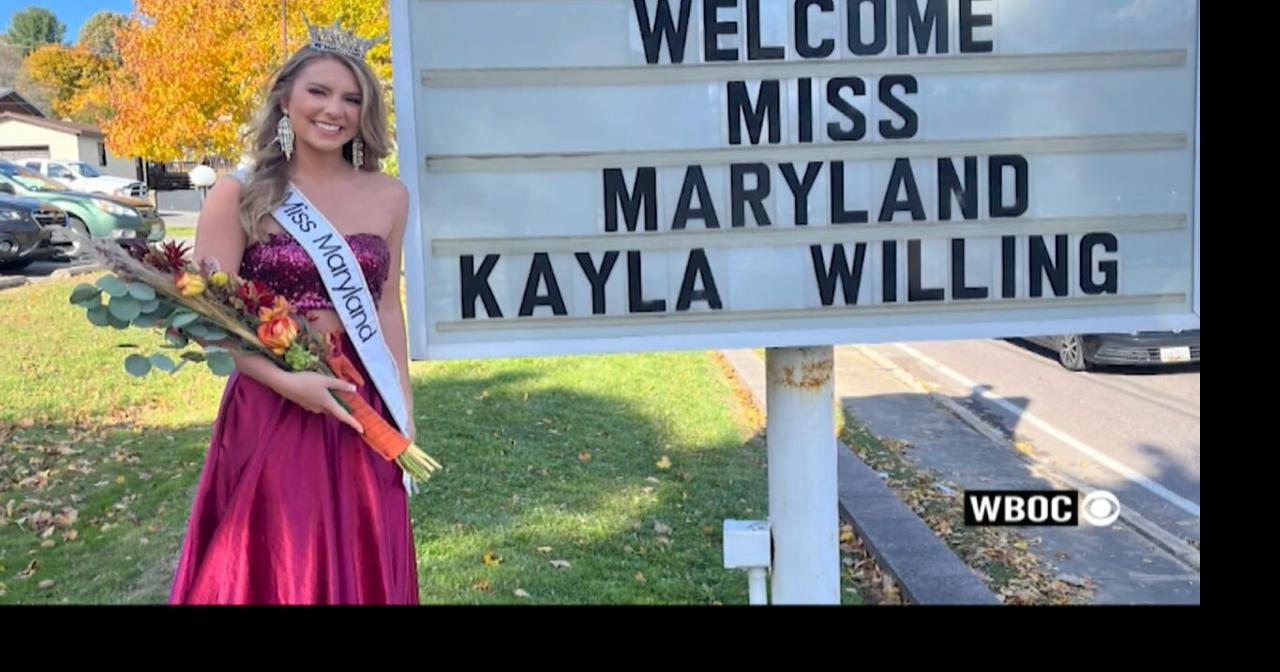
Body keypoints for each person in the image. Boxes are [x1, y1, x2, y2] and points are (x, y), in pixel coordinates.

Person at [169, 19, 418, 605]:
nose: (335, 110)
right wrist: (288, 381)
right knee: (281, 560)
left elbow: (385, 308)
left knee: (365, 547)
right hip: (273, 403)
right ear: (286, 98)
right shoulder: (240, 194)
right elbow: (212, 319)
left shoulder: (390, 196)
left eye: (352, 98)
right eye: (319, 92)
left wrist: (404, 410)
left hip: (363, 402)